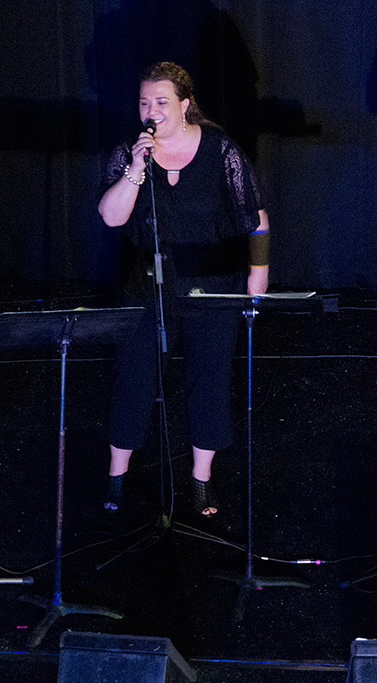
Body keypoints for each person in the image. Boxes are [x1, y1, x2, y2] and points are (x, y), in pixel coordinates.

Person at [99, 61, 269, 519]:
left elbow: (255, 217)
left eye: (161, 102)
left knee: (209, 380)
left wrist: (258, 274)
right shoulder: (130, 152)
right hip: (146, 287)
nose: (151, 111)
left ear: (185, 104)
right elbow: (112, 217)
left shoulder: (220, 149)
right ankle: (117, 476)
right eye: (143, 102)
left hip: (212, 286)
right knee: (133, 377)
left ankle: (201, 481)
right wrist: (136, 169)